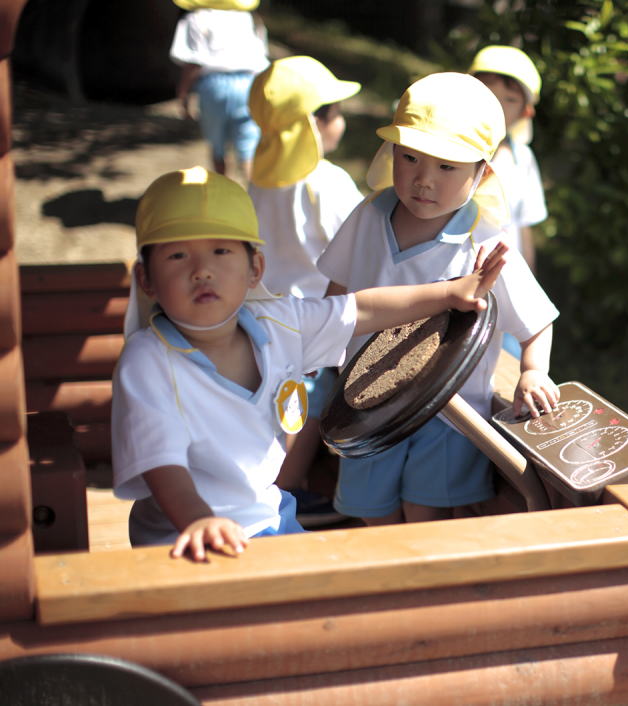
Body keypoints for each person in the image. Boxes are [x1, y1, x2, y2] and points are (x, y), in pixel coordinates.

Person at [111, 166, 508, 561]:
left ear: (255, 269)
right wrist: (197, 520)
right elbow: (162, 463)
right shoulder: (149, 360)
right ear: (146, 279)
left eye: (221, 251)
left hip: (268, 517)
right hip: (184, 537)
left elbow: (361, 309)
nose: (202, 271)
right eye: (177, 255)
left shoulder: (280, 323)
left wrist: (449, 293)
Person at [316, 72, 560, 526]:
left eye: (447, 167)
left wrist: (532, 371)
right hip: (366, 403)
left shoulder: (483, 239)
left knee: (426, 510)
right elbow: (337, 291)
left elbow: (537, 317)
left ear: (482, 172)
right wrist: (317, 350)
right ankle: (387, 580)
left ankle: (419, 583)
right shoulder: (369, 215)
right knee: (372, 511)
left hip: (451, 414)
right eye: (409, 158)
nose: (423, 180)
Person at [246, 56, 364, 511]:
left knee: (280, 403)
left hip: (262, 311)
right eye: (333, 111)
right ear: (311, 125)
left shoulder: (259, 176)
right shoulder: (326, 182)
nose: (342, 119)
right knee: (306, 406)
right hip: (314, 317)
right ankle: (285, 491)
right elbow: (359, 242)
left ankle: (276, 485)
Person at [168, 0, 269, 181]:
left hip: (213, 87)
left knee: (217, 147)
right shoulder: (250, 18)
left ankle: (224, 193)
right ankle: (255, 199)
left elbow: (193, 63)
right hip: (248, 84)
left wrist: (183, 94)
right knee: (248, 149)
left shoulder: (196, 18)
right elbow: (261, 56)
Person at [468, 45, 547, 272]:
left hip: (504, 272)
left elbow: (524, 226)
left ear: (526, 112)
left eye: (510, 99)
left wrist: (528, 279)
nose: (497, 105)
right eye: (487, 93)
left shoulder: (522, 159)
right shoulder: (449, 148)